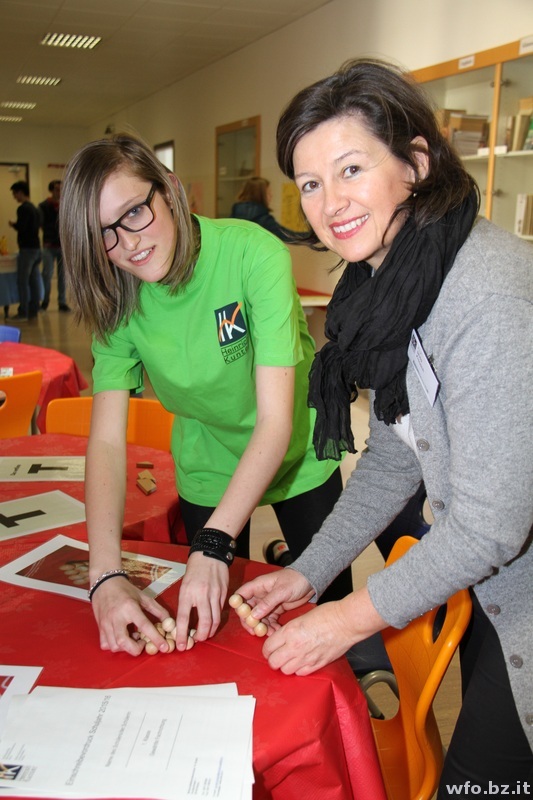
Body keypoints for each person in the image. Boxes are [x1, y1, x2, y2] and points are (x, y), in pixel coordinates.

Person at [234, 59, 533, 793]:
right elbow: (394, 457)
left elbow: (490, 526)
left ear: (415, 164)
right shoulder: (392, 282)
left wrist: (345, 620)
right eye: (310, 183)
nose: (328, 203)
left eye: (351, 169)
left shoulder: (484, 294)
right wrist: (310, 572)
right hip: (502, 584)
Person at [59, 131, 353, 657]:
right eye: (103, 233)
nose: (127, 243)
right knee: (212, 630)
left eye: (134, 212)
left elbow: (274, 421)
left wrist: (215, 543)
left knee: (330, 614)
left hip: (299, 452)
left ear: (170, 189)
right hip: (209, 463)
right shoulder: (119, 303)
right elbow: (105, 442)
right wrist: (104, 575)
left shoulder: (250, 253)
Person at [231, 176, 304, 242]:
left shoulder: (235, 213)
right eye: (268, 193)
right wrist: (309, 236)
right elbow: (287, 235)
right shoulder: (263, 219)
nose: (271, 196)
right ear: (260, 195)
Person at [8, 180, 41, 320]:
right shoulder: (35, 208)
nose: (14, 197)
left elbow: (22, 227)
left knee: (23, 281)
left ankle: (23, 311)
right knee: (34, 281)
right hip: (36, 248)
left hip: (27, 249)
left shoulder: (23, 209)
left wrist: (14, 225)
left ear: (21, 192)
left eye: (15, 194)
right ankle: (34, 310)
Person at [38, 180, 70, 312]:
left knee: (62, 276)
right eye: (57, 189)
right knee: (47, 274)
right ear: (52, 190)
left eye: (61, 189)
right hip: (49, 245)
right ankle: (45, 301)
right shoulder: (44, 206)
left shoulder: (66, 205)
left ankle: (62, 302)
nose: (60, 192)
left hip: (63, 246)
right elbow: (41, 223)